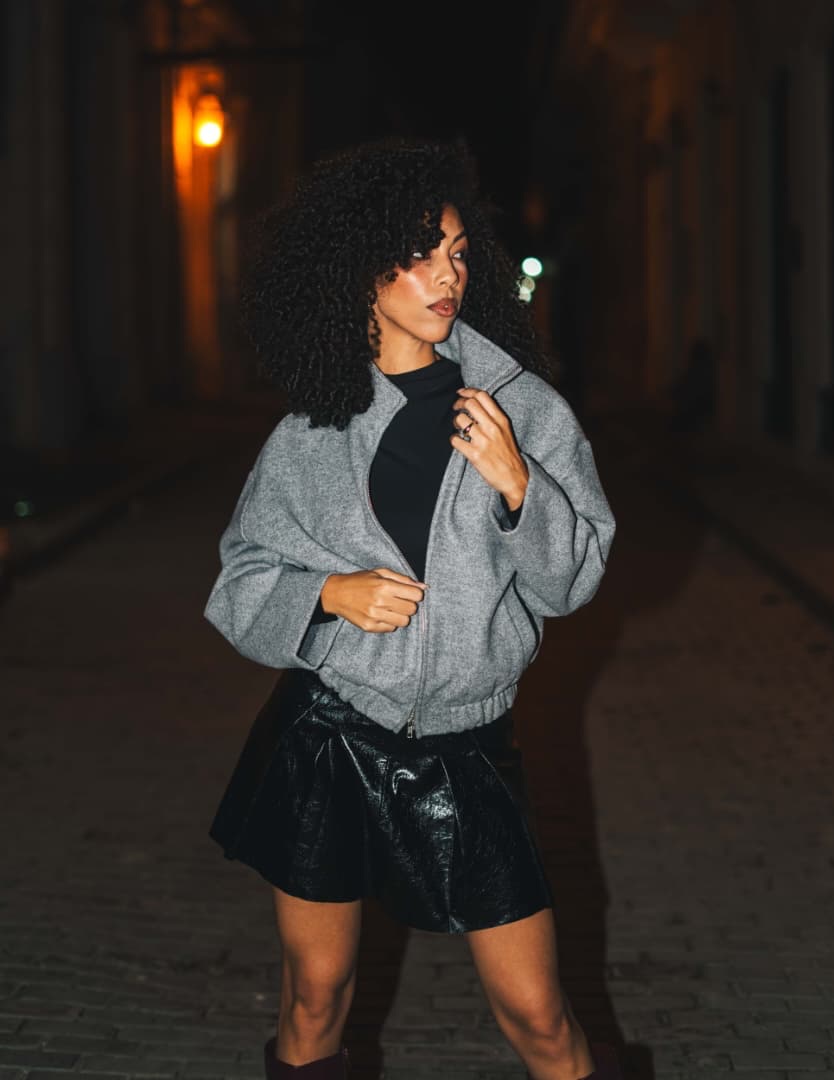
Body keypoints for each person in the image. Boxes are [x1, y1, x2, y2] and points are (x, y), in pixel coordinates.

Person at [203, 136, 617, 1080]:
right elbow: (237, 582)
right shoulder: (310, 430)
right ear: (361, 271)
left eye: (459, 253)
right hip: (330, 739)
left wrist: (519, 485)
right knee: (316, 998)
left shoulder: (521, 409)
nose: (448, 275)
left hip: (468, 747)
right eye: (420, 254)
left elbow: (573, 581)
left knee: (539, 1016)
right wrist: (325, 594)